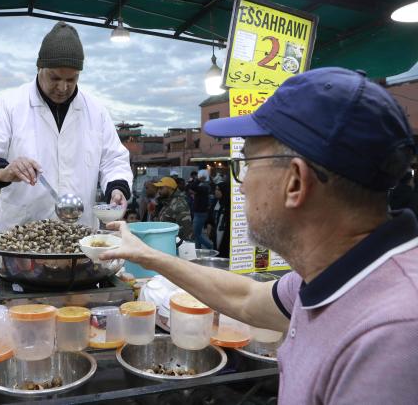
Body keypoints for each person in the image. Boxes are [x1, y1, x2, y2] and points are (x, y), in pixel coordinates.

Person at [101, 67, 418, 404]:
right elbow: (247, 299)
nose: (244, 183)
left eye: (247, 164)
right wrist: (147, 255)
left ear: (295, 181)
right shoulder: (338, 271)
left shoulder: (393, 335)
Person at [0, 21, 132, 232]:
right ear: (39, 67)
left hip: (79, 234)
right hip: (21, 235)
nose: (63, 87)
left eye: (72, 79)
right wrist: (2, 171)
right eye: (55, 78)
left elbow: (114, 160)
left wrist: (117, 188)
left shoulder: (96, 111)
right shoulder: (11, 105)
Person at [206, 181, 230, 258]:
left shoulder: (229, 204)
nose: (216, 191)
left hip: (225, 236)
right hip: (216, 234)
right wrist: (209, 226)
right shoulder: (215, 202)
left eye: (218, 190)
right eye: (216, 189)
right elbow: (210, 216)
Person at [190, 169, 213, 249]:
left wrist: (198, 180)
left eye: (199, 176)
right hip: (200, 212)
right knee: (198, 234)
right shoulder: (204, 185)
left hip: (200, 213)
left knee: (195, 234)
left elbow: (192, 187)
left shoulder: (204, 186)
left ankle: (210, 246)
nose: (197, 177)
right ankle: (198, 250)